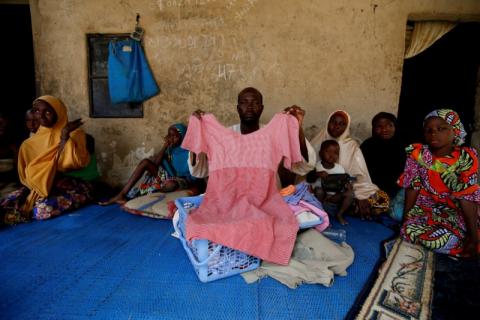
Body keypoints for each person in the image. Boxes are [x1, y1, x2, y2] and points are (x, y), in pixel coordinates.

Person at [188, 87, 316, 186]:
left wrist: (297, 127)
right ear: (238, 108)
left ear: (261, 108)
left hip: (268, 196)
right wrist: (196, 130)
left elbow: (304, 166)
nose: (249, 107)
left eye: (255, 103)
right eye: (244, 102)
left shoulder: (274, 135)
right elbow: (199, 171)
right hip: (232, 197)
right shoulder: (224, 137)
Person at [399, 109, 480, 257]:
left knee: (465, 235)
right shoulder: (418, 154)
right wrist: (405, 218)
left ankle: (470, 238)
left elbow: (467, 196)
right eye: (428, 130)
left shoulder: (466, 156)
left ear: (454, 131)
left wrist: (474, 238)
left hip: (460, 208)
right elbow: (413, 186)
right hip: (428, 207)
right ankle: (457, 242)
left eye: (441, 128)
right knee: (408, 230)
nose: (433, 133)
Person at [0, 95, 93, 224]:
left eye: (48, 112)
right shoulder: (29, 144)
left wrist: (64, 137)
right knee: (7, 202)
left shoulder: (75, 134)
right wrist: (32, 188)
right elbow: (26, 177)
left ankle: (88, 194)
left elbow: (69, 164)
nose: (42, 116)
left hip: (67, 184)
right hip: (37, 188)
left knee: (41, 211)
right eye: (37, 111)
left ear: (58, 113)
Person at [311, 110, 389, 219]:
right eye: (333, 122)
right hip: (321, 191)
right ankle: (349, 209)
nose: (337, 126)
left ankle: (352, 206)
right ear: (328, 122)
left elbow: (360, 178)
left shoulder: (352, 146)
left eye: (342, 124)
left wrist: (360, 196)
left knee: (382, 199)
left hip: (347, 189)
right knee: (306, 195)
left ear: (347, 127)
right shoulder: (317, 142)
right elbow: (306, 173)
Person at [100, 123, 196, 205]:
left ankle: (145, 194)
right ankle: (121, 195)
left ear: (183, 136)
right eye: (169, 136)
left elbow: (194, 173)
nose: (171, 139)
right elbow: (156, 164)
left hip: (182, 180)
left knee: (170, 184)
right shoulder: (171, 149)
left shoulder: (190, 151)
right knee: (146, 162)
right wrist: (165, 146)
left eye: (175, 136)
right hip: (167, 177)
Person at [360, 112, 405, 199]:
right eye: (379, 126)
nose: (384, 129)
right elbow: (361, 172)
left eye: (389, 125)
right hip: (370, 190)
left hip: (397, 191)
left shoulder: (402, 146)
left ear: (395, 127)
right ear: (374, 128)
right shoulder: (367, 146)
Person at [311, 140, 354, 225]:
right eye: (328, 151)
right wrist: (317, 174)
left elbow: (342, 184)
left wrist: (347, 186)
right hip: (320, 199)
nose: (332, 155)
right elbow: (309, 179)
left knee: (350, 194)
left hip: (333, 198)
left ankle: (340, 214)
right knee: (319, 190)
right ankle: (321, 215)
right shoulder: (317, 166)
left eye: (335, 152)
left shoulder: (339, 168)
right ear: (320, 153)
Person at [0, 113, 19, 197]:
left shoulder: (13, 147)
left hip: (9, 186)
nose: (2, 127)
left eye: (5, 126)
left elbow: (18, 172)